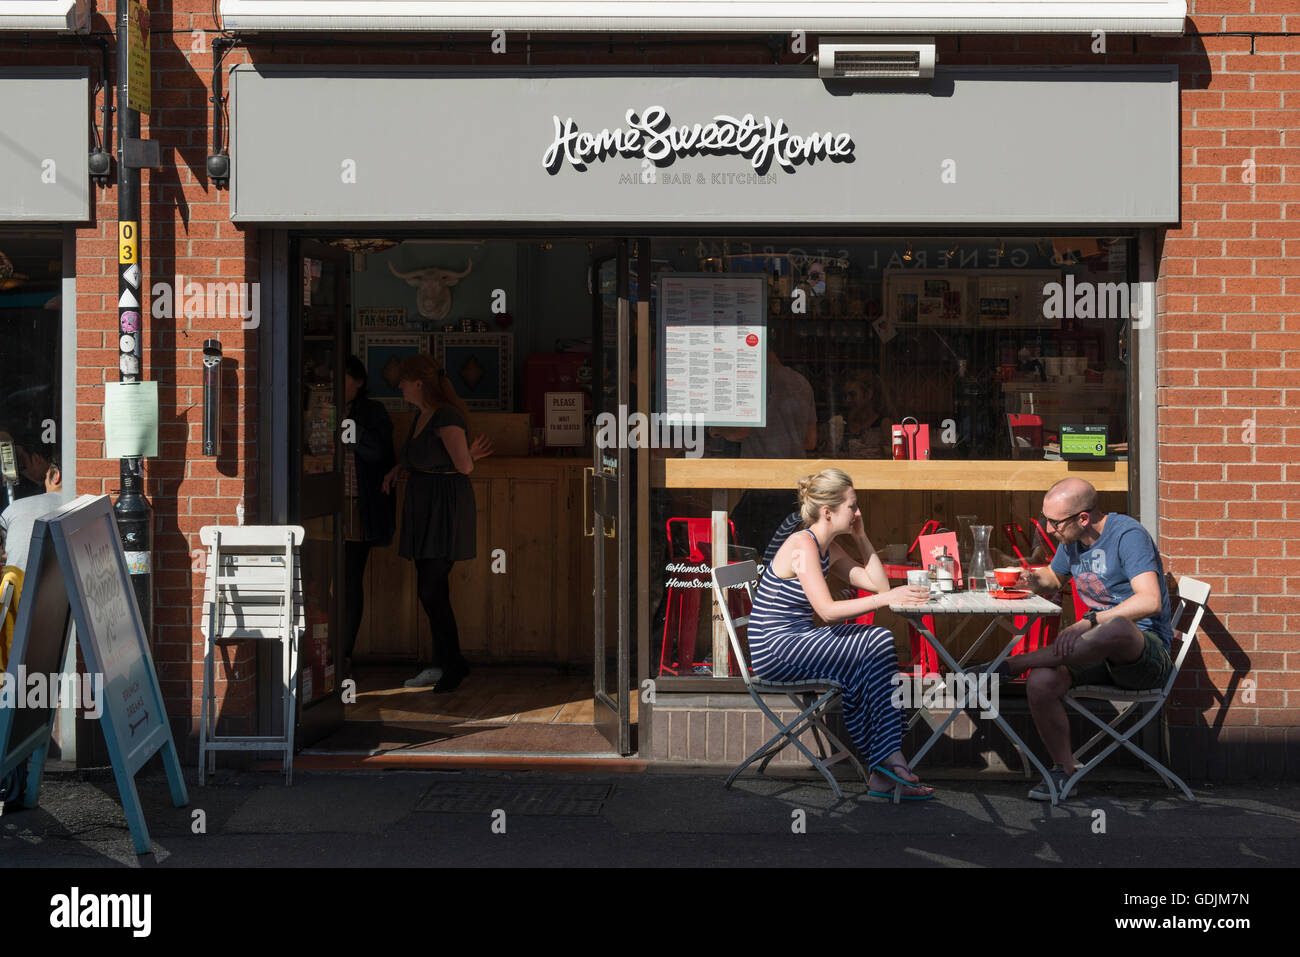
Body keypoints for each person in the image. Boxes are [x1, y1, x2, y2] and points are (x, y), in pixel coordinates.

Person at [747, 468, 936, 799]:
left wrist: (861, 537)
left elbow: (878, 585)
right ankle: (887, 763)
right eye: (853, 506)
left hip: (799, 642)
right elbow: (827, 611)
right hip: (776, 650)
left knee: (876, 645)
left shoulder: (826, 546)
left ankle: (886, 764)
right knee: (876, 640)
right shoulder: (801, 545)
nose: (858, 512)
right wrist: (887, 599)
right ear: (827, 511)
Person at [998, 477, 1175, 800]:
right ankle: (1064, 770)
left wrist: (1088, 621)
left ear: (1083, 518)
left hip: (1143, 655)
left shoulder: (1128, 536)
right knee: (1040, 682)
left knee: (1118, 626)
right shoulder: (1073, 540)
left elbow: (1150, 601)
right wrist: (1031, 579)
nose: (1049, 530)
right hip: (1096, 653)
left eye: (1054, 523)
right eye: (1045, 520)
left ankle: (1007, 666)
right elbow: (1054, 577)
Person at [381, 354, 492, 693]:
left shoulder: (446, 415)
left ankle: (452, 665)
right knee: (431, 589)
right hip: (424, 504)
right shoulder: (422, 415)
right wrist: (399, 469)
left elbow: (465, 467)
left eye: (403, 380)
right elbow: (422, 456)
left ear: (419, 383)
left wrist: (470, 455)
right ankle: (446, 662)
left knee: (431, 589)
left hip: (444, 507)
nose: (399, 385)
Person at [713, 350, 818, 551]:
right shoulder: (802, 382)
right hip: (796, 487)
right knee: (788, 553)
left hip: (761, 486)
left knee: (742, 549)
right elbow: (811, 441)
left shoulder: (752, 381)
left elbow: (740, 431)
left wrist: (715, 429)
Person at [341, 355, 396, 679]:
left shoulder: (372, 411)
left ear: (359, 381)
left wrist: (353, 434)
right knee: (319, 582)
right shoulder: (316, 407)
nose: (335, 384)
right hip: (322, 504)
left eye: (343, 377)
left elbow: (381, 454)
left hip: (357, 504)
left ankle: (344, 654)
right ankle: (319, 651)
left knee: (349, 580)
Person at [0, 453, 66, 574]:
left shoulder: (15, 507)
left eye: (46, 477)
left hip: (16, 587)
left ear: (56, 475)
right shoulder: (87, 508)